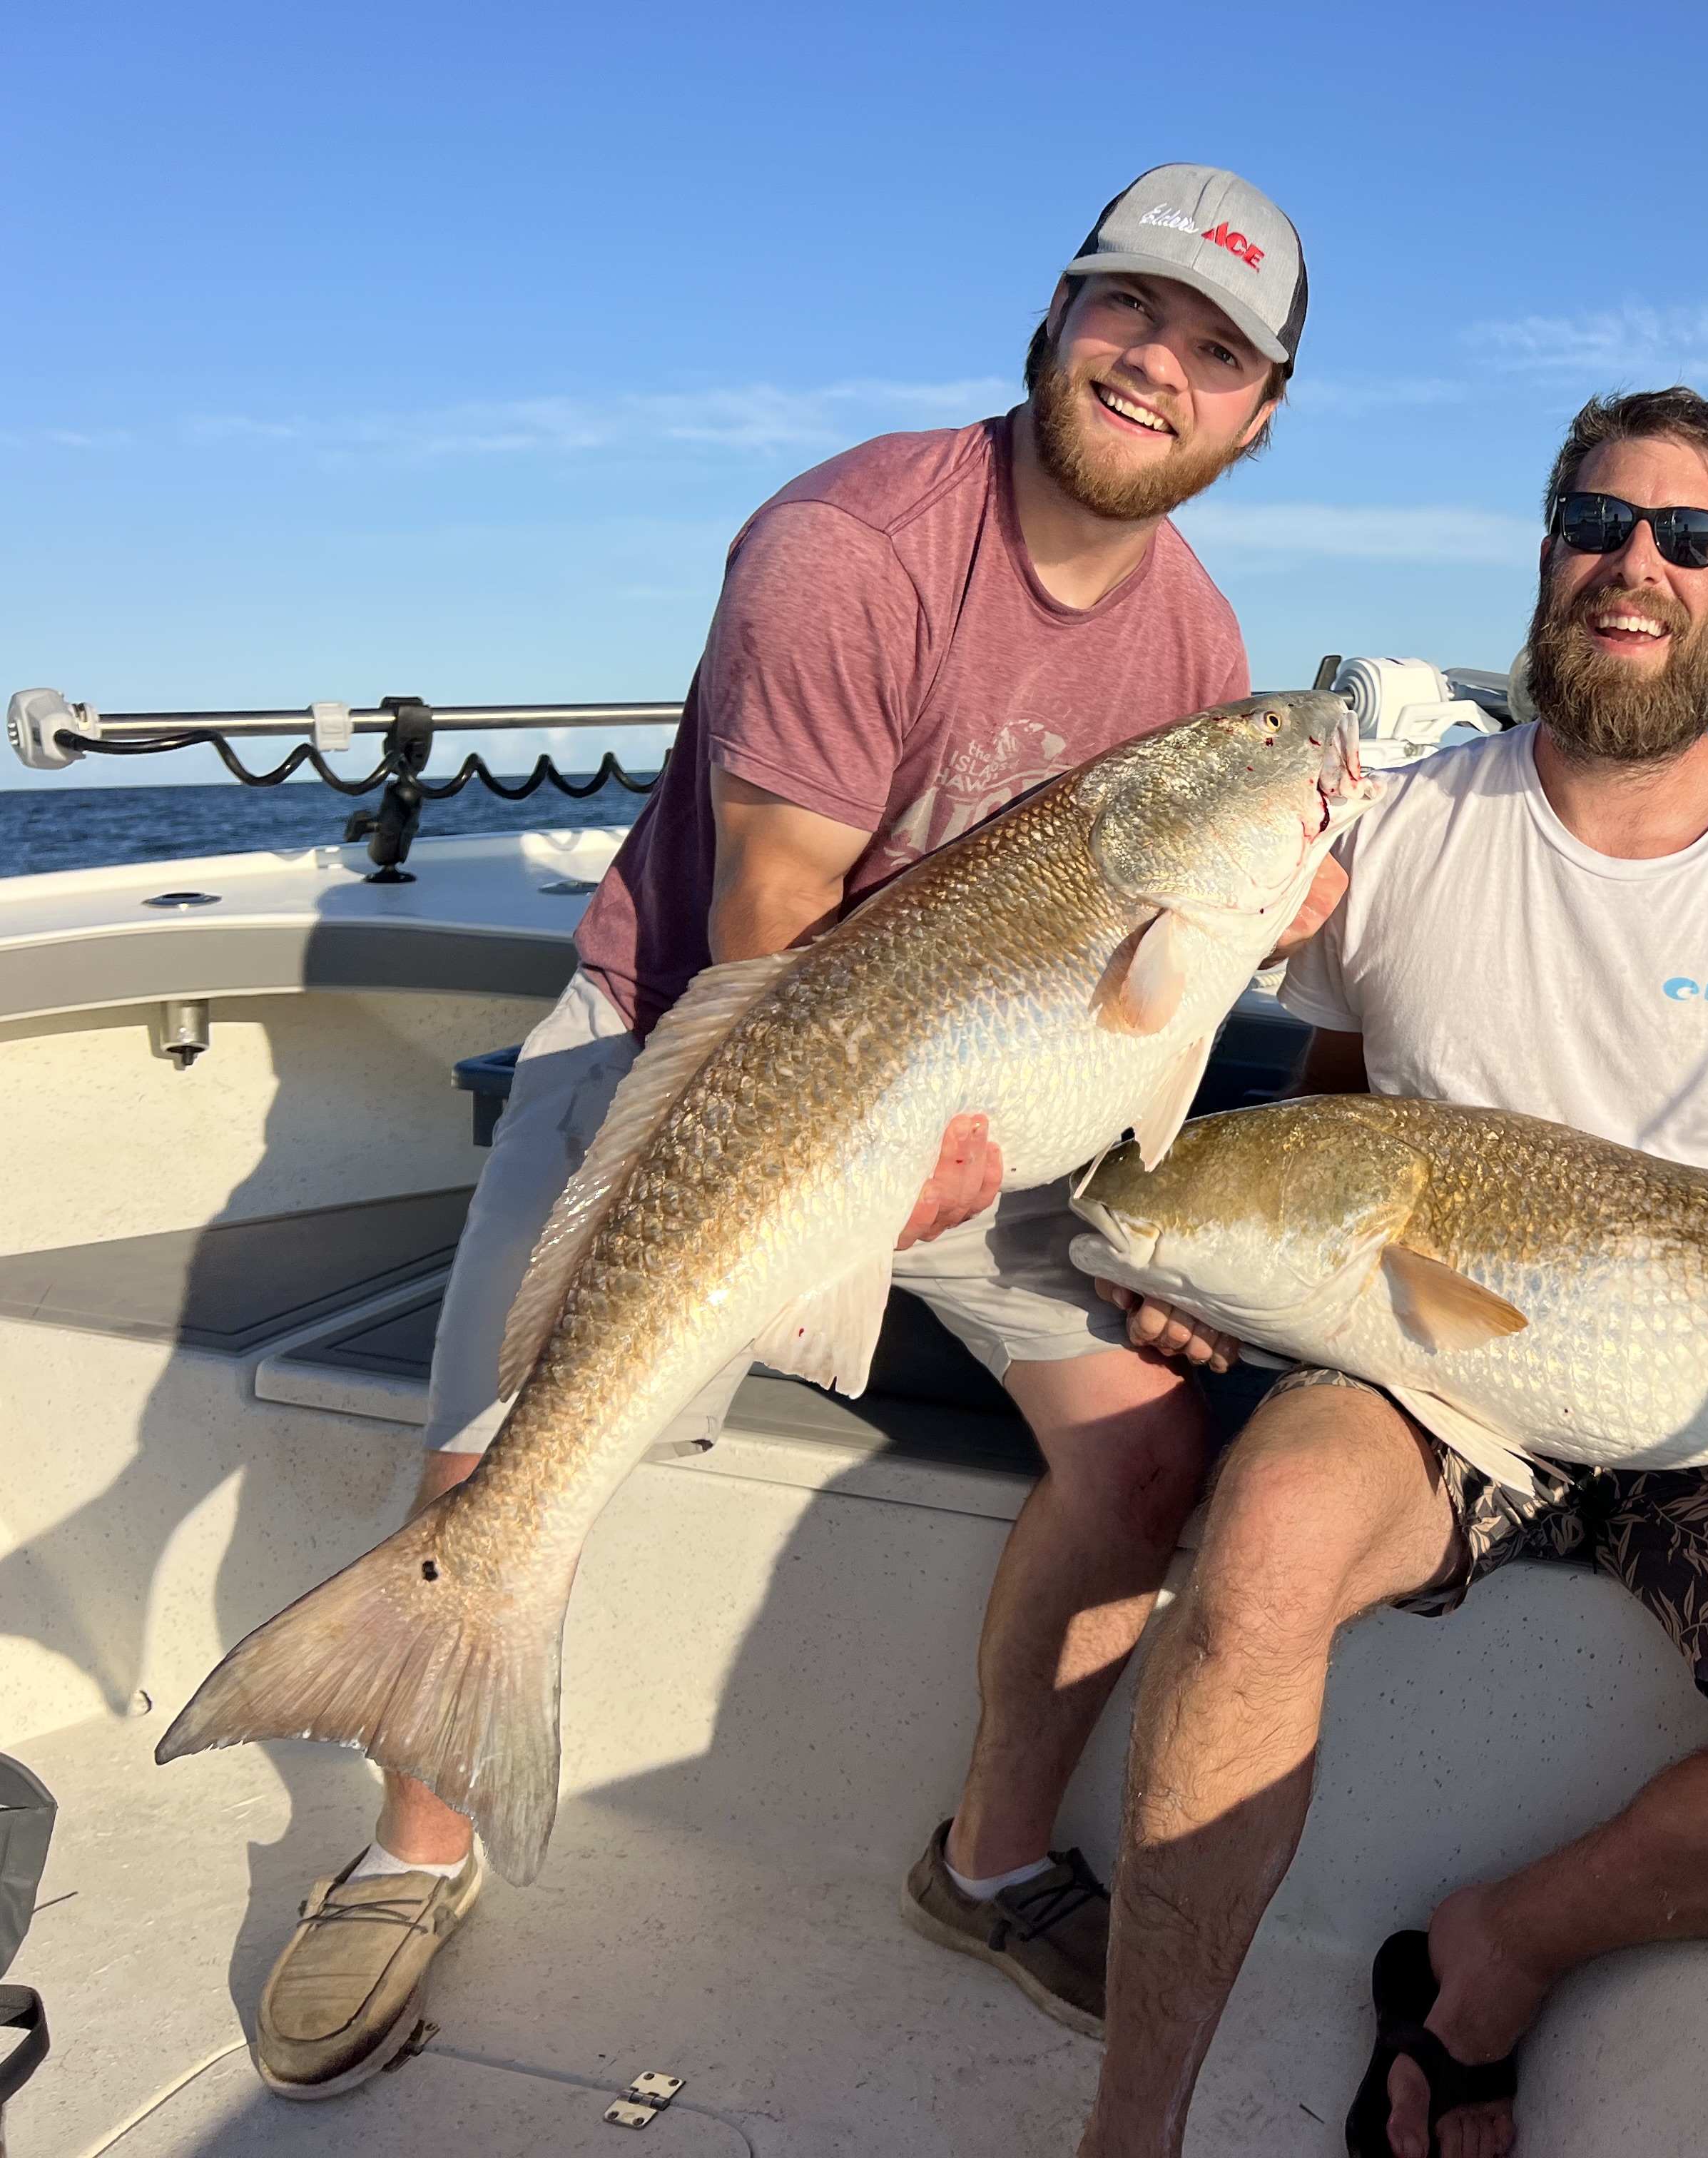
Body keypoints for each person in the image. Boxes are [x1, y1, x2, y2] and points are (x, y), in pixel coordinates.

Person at [243, 163, 1334, 2100]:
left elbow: (1142, 1010)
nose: (1157, 368)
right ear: (1060, 316)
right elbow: (765, 940)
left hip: (971, 1107)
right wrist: (885, 1159)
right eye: (1130, 314)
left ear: (1260, 415)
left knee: (1153, 1453)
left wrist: (1254, 921)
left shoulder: (1198, 646)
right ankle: (414, 1847)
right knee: (506, 1447)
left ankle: (987, 1862)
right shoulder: (853, 540)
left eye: (1216, 353)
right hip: (700, 1041)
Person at [1081, 389, 1708, 2158]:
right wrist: (1218, 1266)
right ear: (1545, 554)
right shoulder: (1397, 835)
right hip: (1440, 1369)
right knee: (1266, 1538)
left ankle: (1500, 1950)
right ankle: (1126, 2137)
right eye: (1600, 522)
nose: (1637, 566)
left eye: (1690, 539)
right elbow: (1336, 1110)